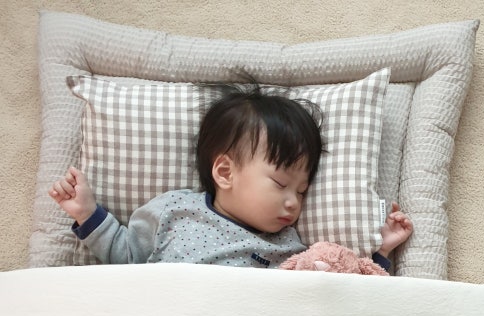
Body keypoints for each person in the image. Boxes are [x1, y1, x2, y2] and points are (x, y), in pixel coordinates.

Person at [49, 84, 413, 272]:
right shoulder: (173, 211)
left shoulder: (288, 245)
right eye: (281, 184)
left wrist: (380, 252)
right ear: (225, 172)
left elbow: (328, 286)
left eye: (302, 191)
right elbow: (125, 256)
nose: (293, 202)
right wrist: (87, 213)